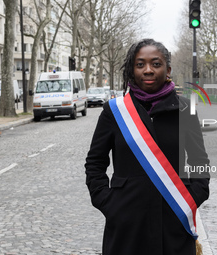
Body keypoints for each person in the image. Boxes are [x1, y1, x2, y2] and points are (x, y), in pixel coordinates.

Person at [85, 38, 210, 255]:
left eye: (156, 63)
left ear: (168, 69)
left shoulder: (185, 109)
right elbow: (95, 163)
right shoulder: (114, 111)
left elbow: (199, 161)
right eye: (140, 64)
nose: (148, 70)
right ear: (132, 70)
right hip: (127, 222)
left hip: (175, 215)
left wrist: (194, 196)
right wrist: (108, 203)